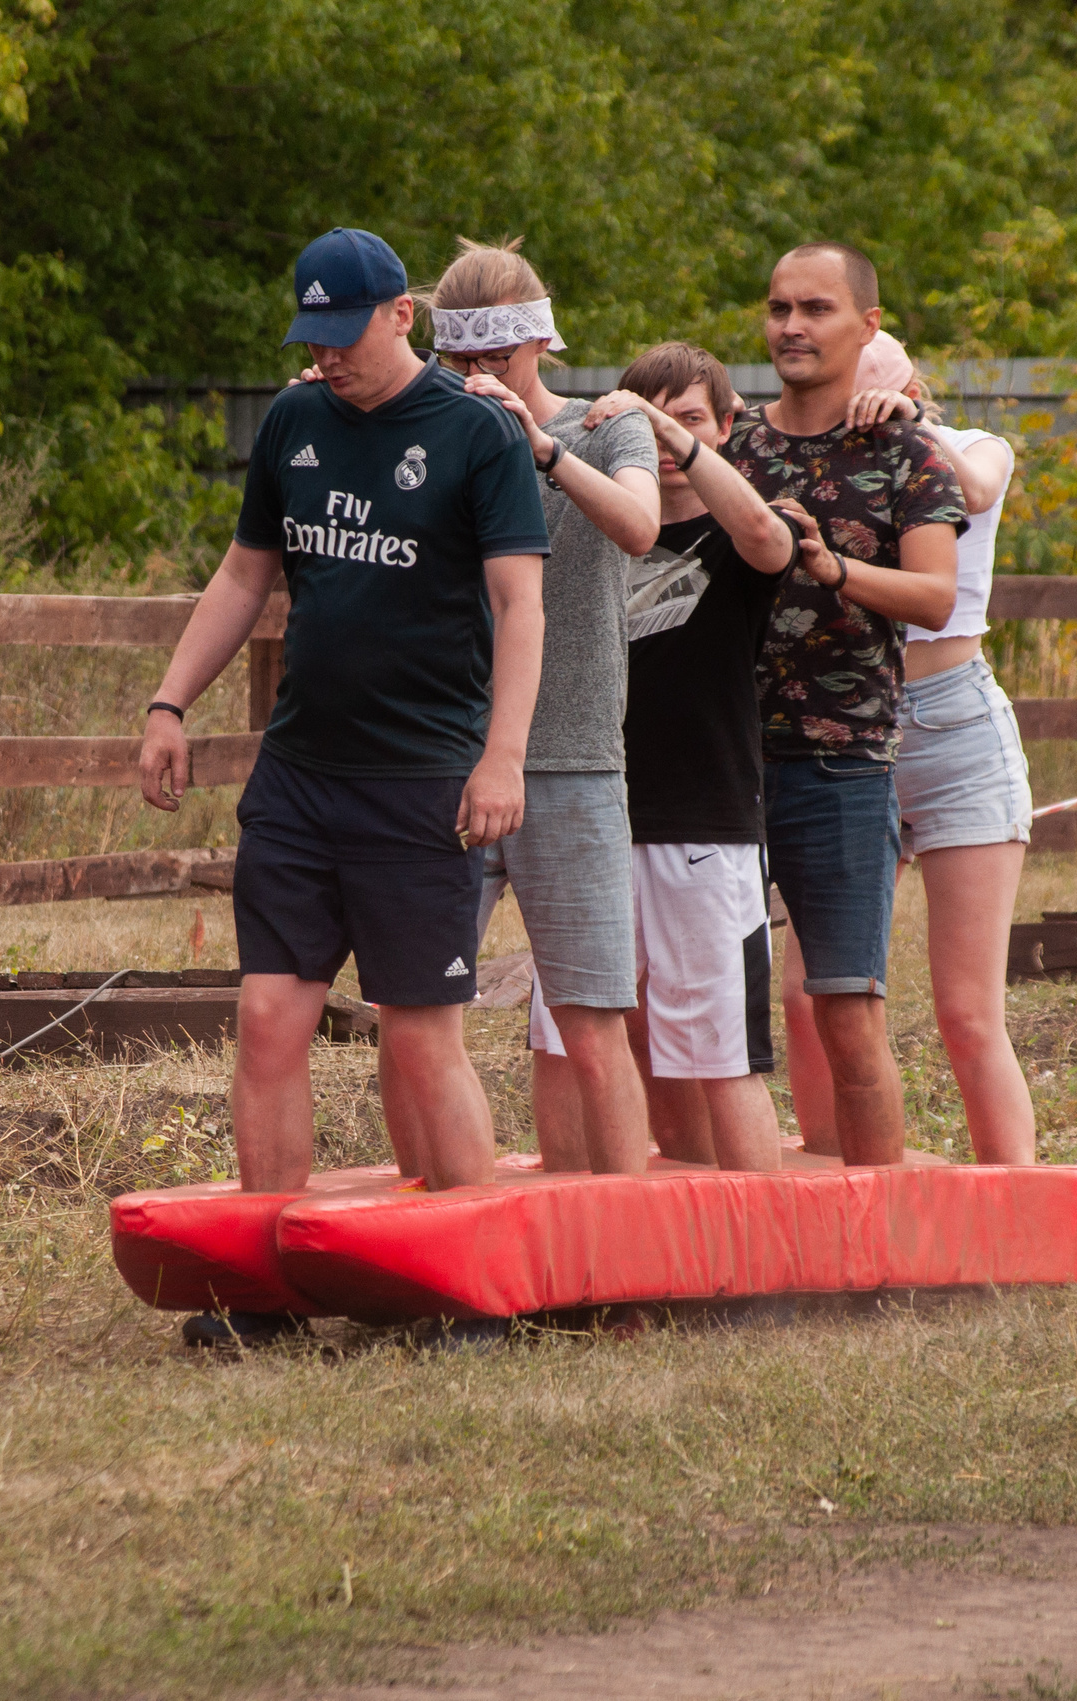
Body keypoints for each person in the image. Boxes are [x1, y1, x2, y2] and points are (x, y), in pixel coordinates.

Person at [136, 227, 549, 1347]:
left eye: (342, 336)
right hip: (300, 777)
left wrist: (501, 755)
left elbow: (520, 607)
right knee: (269, 1019)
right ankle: (268, 1288)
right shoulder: (293, 421)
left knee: (420, 1036)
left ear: (400, 316)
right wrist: (170, 704)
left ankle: (473, 1287)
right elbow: (242, 574)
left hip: (421, 782)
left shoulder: (474, 436)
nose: (325, 359)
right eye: (308, 339)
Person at [424, 239, 663, 1177]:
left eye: (502, 361)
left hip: (571, 761)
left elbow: (641, 526)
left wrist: (542, 444)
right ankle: (445, 1250)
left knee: (593, 1022)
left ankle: (631, 1266)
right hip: (445, 756)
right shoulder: (425, 428)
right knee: (421, 1017)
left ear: (542, 346)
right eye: (464, 364)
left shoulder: (608, 428)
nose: (483, 380)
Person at [727, 243, 963, 1169]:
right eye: (779, 307)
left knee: (847, 1014)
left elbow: (937, 597)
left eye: (816, 309)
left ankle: (884, 1247)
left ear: (867, 326)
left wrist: (836, 569)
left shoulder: (906, 452)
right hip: (724, 767)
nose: (791, 326)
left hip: (841, 763)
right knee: (707, 1015)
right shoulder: (736, 445)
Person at [568, 342, 797, 1169]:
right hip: (592, 815)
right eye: (651, 419)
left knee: (721, 1052)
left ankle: (760, 1272)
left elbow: (770, 536)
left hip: (707, 825)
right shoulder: (594, 528)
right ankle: (618, 1254)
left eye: (689, 418)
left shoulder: (740, 534)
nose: (665, 443)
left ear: (726, 427)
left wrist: (664, 429)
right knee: (590, 1043)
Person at [838, 330, 1037, 1164]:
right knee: (828, 998)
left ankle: (1021, 1210)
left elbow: (982, 484)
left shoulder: (966, 445)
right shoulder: (810, 455)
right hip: (844, 718)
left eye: (879, 389)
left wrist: (909, 429)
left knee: (966, 1012)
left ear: (910, 378)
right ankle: (844, 1193)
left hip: (954, 723)